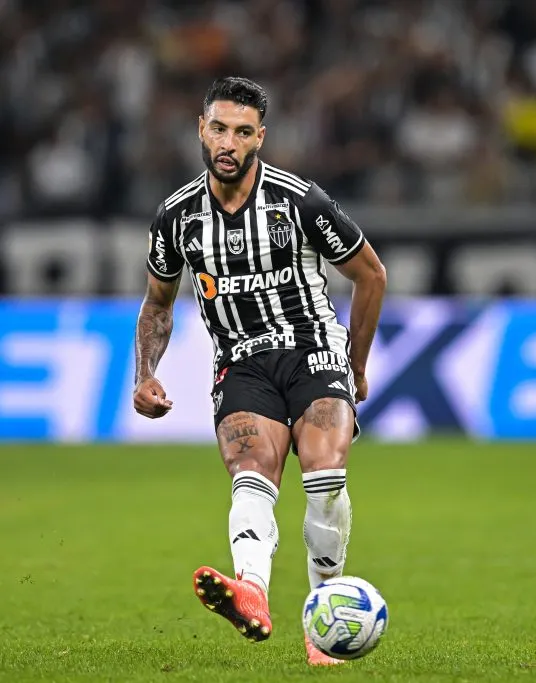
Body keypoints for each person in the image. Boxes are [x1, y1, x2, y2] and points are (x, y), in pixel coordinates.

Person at [131, 77, 387, 666]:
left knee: (324, 472)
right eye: (219, 129)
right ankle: (251, 591)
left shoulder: (300, 201)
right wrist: (145, 373)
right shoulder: (176, 217)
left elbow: (371, 274)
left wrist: (355, 365)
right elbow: (158, 303)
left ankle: (322, 615)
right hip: (240, 362)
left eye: (242, 132)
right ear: (201, 129)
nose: (228, 143)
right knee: (251, 472)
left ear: (260, 138)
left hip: (312, 348)